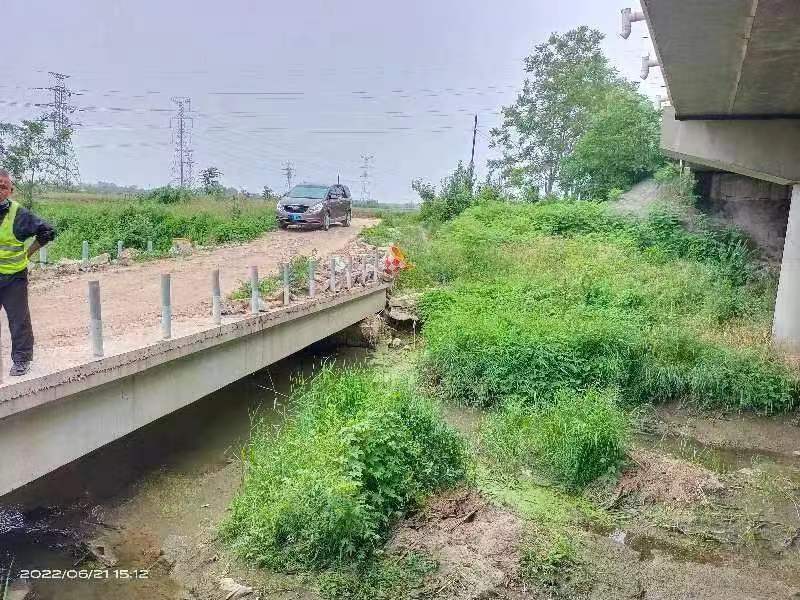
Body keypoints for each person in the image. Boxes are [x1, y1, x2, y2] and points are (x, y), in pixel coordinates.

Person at [0, 170, 56, 376]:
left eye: (3, 186)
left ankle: (22, 360)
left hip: (14, 278)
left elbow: (47, 231)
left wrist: (28, 253)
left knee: (18, 320)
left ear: (10, 190)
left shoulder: (19, 215)